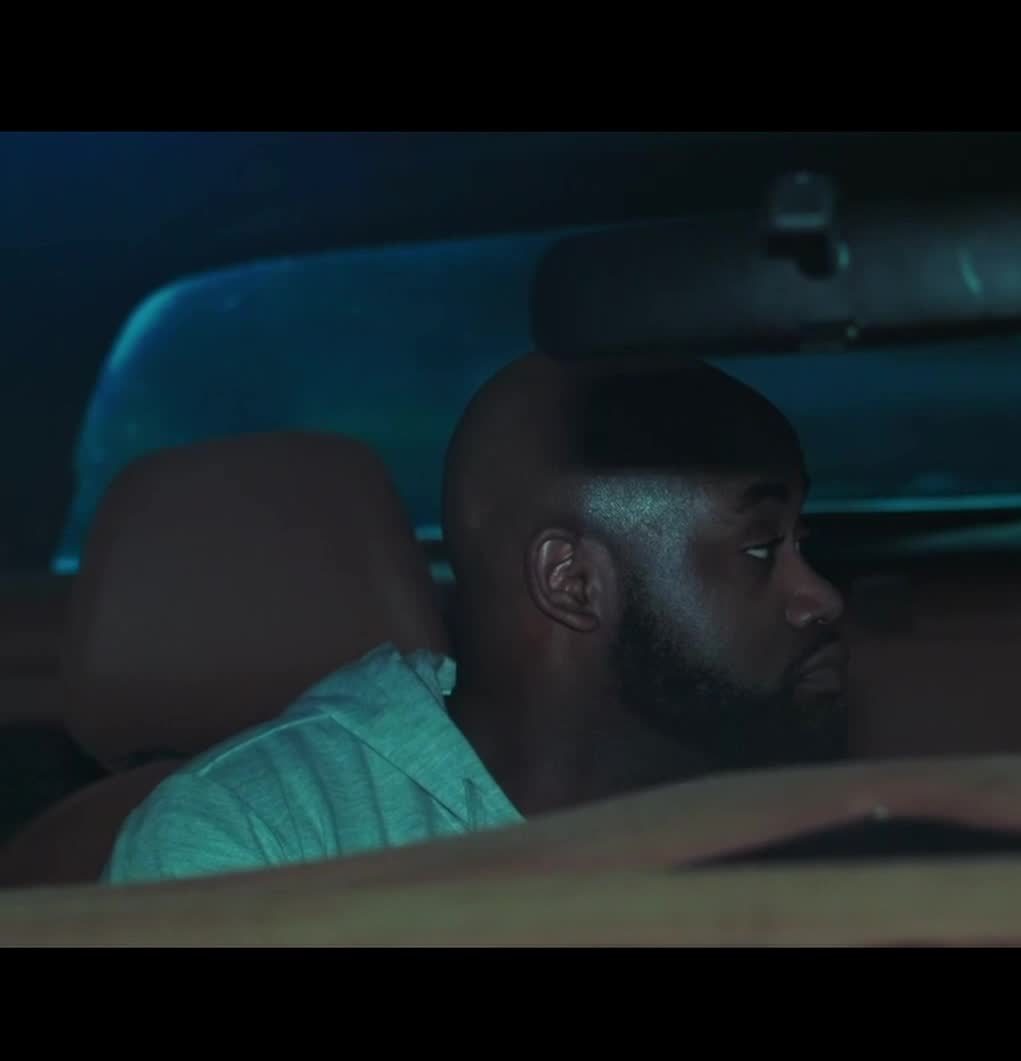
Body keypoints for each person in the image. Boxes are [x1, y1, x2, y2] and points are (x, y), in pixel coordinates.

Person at [104, 353, 850, 883]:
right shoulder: (255, 839)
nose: (821, 597)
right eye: (761, 548)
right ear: (573, 583)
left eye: (803, 542)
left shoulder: (808, 821)